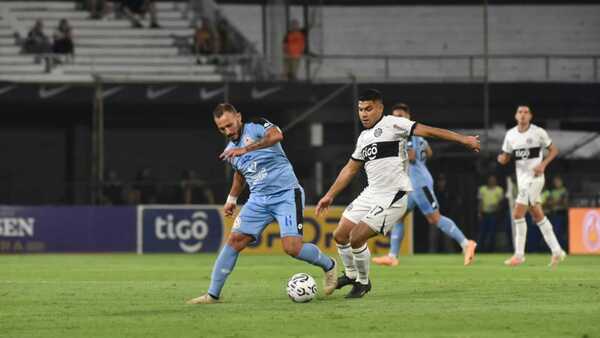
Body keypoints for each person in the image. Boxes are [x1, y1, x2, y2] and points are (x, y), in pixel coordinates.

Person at [315, 89, 480, 298]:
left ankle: (363, 283)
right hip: (371, 193)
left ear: (380, 108)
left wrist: (463, 140)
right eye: (360, 109)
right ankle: (350, 274)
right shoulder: (364, 137)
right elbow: (350, 169)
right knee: (340, 235)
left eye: (368, 109)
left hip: (394, 194)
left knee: (356, 237)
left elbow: (429, 131)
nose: (363, 114)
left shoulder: (394, 123)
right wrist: (329, 195)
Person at [187, 103, 337, 305]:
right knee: (234, 241)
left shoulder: (256, 126)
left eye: (230, 125)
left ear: (238, 117)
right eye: (222, 128)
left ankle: (329, 265)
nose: (227, 131)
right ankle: (212, 295)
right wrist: (231, 199)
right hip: (258, 200)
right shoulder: (230, 151)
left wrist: (246, 149)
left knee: (292, 248)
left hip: (286, 194)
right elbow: (241, 175)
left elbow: (277, 136)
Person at [371, 103, 477, 267]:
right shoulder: (419, 137)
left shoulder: (406, 135)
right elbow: (429, 152)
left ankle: (466, 243)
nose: (396, 119)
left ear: (408, 117)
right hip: (409, 184)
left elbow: (412, 155)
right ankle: (392, 256)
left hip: (419, 183)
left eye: (400, 116)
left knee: (434, 218)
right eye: (394, 116)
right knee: (397, 218)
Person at [498, 105, 566, 266]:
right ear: (516, 116)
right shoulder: (510, 135)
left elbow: (554, 150)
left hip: (536, 179)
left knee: (517, 214)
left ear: (530, 116)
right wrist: (502, 159)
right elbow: (506, 156)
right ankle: (557, 251)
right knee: (538, 216)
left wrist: (543, 164)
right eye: (520, 112)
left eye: (526, 112)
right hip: (522, 182)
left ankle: (519, 255)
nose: (523, 115)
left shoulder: (538, 132)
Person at [477, 175, 505, 252]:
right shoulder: (482, 189)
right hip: (484, 213)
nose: (492, 181)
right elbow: (480, 202)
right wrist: (479, 213)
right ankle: (480, 249)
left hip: (494, 214)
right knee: (482, 232)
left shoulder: (499, 190)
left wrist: (497, 208)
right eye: (490, 180)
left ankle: (490, 249)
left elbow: (501, 203)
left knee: (492, 232)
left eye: (493, 180)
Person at [548, 176, 568, 249]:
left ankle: (562, 248)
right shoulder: (552, 191)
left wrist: (554, 202)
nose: (556, 183)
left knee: (560, 232)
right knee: (554, 232)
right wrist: (556, 202)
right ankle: (555, 248)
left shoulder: (564, 191)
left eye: (558, 181)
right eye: (555, 182)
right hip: (554, 214)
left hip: (561, 214)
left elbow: (563, 202)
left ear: (561, 182)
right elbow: (549, 202)